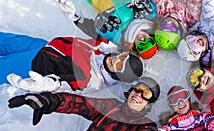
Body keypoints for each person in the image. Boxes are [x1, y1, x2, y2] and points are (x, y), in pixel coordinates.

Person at [7, 77, 168, 131]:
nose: (138, 95)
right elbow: (81, 104)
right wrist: (51, 101)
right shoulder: (111, 107)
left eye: (145, 93)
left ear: (149, 103)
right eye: (137, 89)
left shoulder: (144, 126)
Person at [2, 32, 143, 91]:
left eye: (119, 65)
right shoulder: (106, 50)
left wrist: (46, 84)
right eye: (122, 57)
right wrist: (75, 16)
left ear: (117, 75)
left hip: (35, 64)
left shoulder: (92, 79)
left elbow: (66, 84)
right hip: (43, 46)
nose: (116, 59)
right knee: (4, 40)